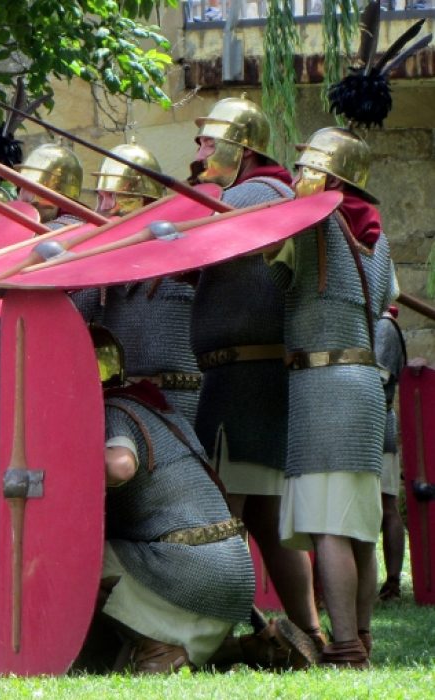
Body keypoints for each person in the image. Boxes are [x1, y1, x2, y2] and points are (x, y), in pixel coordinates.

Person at [187, 97, 322, 648]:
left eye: (205, 142)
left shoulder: (238, 199)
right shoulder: (287, 197)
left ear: (236, 148)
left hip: (238, 380)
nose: (197, 153)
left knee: (222, 513)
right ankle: (310, 630)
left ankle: (206, 631)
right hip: (269, 377)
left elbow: (186, 259)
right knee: (268, 520)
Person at [269, 126, 396, 668]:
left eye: (306, 170)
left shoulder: (310, 225)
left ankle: (344, 646)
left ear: (326, 176)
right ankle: (362, 636)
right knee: (359, 529)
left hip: (325, 385)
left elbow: (271, 281)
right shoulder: (377, 235)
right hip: (365, 384)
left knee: (329, 527)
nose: (298, 179)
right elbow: (386, 300)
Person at [83, 325, 263, 673]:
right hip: (236, 573)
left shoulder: (112, 410)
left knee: (71, 560)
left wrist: (66, 467)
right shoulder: (161, 408)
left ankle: (157, 645)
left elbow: (120, 466)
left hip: (192, 568)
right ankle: (233, 647)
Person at [81, 142, 201, 424]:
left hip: (182, 401)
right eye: (100, 197)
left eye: (112, 196)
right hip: (124, 407)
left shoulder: (183, 254)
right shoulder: (102, 270)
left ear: (142, 198)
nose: (103, 208)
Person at [375, 305, 407, 601]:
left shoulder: (384, 326)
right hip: (357, 428)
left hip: (378, 423)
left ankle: (394, 582)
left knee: (387, 506)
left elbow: (377, 380)